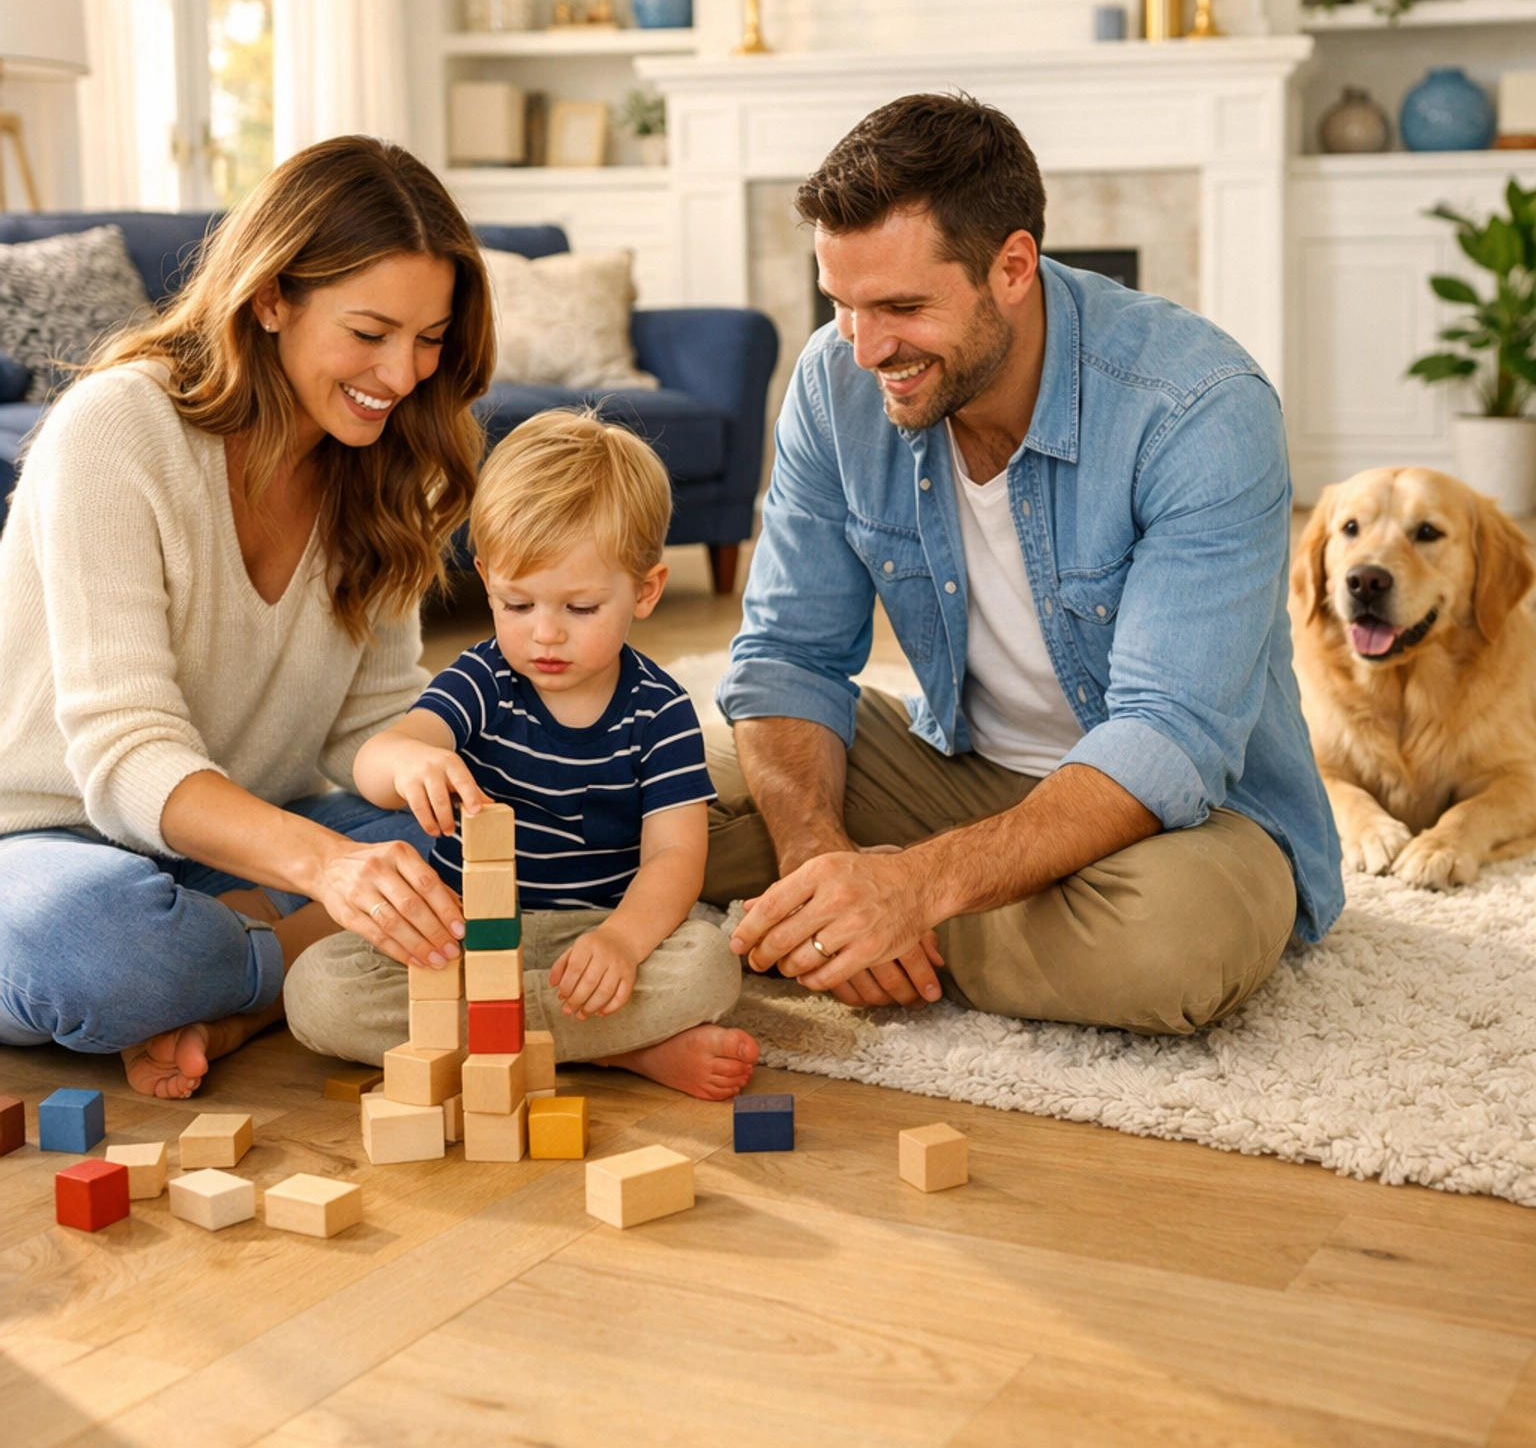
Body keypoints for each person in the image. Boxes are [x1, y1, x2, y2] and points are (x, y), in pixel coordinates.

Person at [711, 93, 1343, 1034]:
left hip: (1188, 820)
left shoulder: (1201, 407)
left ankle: (859, 920)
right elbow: (789, 657)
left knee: (1168, 947)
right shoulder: (831, 380)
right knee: (651, 772)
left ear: (1013, 266)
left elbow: (1168, 736)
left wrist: (914, 888)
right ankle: (841, 903)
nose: (867, 347)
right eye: (842, 305)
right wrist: (813, 852)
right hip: (959, 765)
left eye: (902, 307)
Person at [0, 137, 487, 1099]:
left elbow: (368, 721)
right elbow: (127, 755)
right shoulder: (116, 429)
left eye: (430, 338)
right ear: (271, 298)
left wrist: (426, 754)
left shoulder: (387, 464)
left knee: (488, 837)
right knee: (103, 949)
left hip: (243, 847)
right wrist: (330, 872)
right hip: (50, 843)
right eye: (371, 332)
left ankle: (227, 1002)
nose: (402, 374)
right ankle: (272, 976)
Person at [286, 410, 758, 1102]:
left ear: (646, 590)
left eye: (580, 608)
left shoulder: (662, 711)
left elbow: (674, 859)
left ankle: (515, 1039)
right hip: (466, 939)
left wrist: (623, 943)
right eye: (517, 602)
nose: (545, 635)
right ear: (485, 579)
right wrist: (408, 764)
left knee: (709, 965)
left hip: (592, 934)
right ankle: (614, 1050)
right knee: (317, 993)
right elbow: (380, 758)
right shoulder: (483, 680)